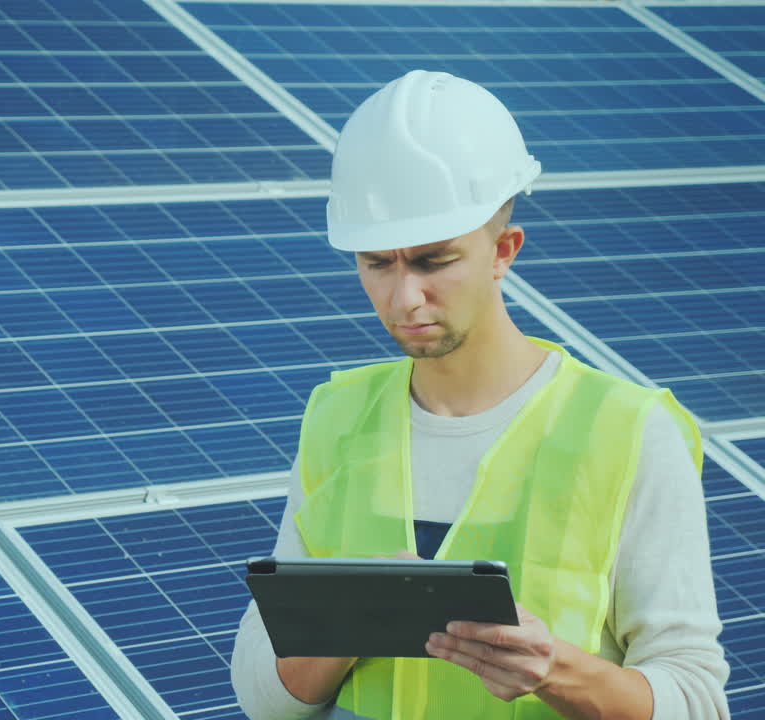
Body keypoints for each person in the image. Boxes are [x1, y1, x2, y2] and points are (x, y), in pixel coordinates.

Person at [230, 70, 730, 720]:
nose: (404, 297)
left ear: (503, 251)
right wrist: (353, 618)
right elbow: (263, 698)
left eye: (433, 261)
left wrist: (555, 670)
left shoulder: (629, 432)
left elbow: (696, 701)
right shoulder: (338, 417)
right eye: (376, 263)